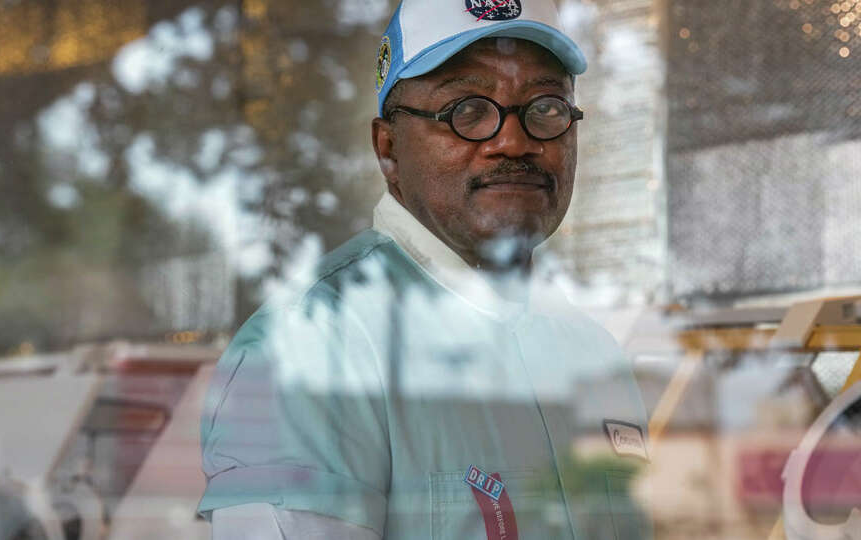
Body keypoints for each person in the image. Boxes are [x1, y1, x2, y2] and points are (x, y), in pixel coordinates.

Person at [200, 0, 652, 538]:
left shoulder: (593, 353)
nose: (514, 141)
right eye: (467, 109)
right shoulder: (313, 345)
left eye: (547, 107)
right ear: (388, 149)